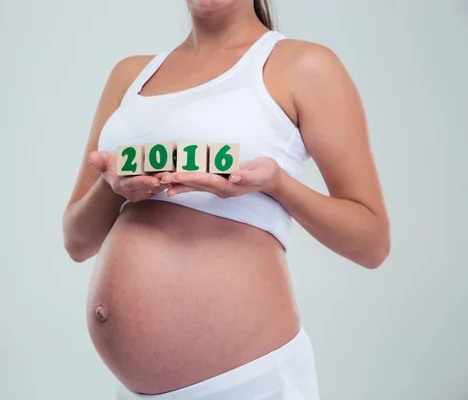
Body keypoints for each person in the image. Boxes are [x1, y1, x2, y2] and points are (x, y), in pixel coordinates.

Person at [62, 0, 390, 398]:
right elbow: (77, 242)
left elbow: (371, 243)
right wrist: (112, 187)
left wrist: (277, 185)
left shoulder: (302, 66)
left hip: (248, 383)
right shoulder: (130, 75)